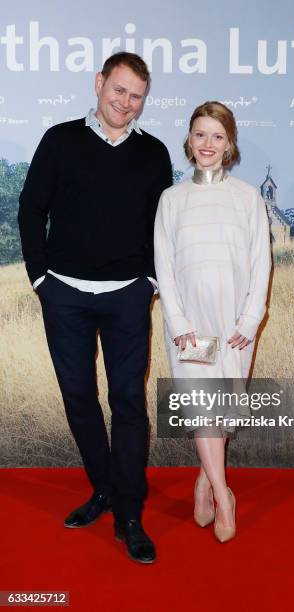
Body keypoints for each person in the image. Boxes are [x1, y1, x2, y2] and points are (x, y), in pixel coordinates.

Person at [18, 51, 172, 564]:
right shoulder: (59, 139)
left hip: (127, 295)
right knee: (79, 397)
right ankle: (103, 488)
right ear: (99, 83)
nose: (126, 103)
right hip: (64, 294)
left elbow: (161, 225)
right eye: (119, 90)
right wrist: (40, 278)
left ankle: (129, 513)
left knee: (128, 402)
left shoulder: (154, 153)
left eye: (136, 97)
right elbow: (30, 207)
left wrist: (149, 281)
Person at [154, 101, 271, 542]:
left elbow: (261, 262)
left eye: (217, 136)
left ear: (230, 144)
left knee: (224, 409)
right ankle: (224, 496)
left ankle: (204, 478)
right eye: (200, 135)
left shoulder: (247, 197)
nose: (208, 144)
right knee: (203, 407)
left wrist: (252, 317)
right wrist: (178, 321)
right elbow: (164, 265)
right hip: (191, 329)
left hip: (234, 327)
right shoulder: (171, 199)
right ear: (189, 140)